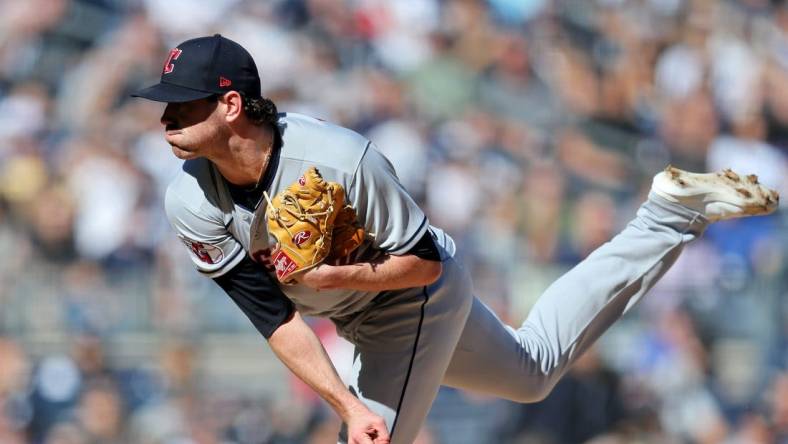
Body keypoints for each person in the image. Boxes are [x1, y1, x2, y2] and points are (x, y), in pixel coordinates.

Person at [132, 35, 779, 444]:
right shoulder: (188, 198)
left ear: (231, 106)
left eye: (182, 105)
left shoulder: (337, 157)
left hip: (411, 295)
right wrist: (343, 401)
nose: (166, 118)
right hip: (351, 317)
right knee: (529, 373)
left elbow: (421, 264)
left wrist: (339, 280)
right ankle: (667, 215)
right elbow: (273, 318)